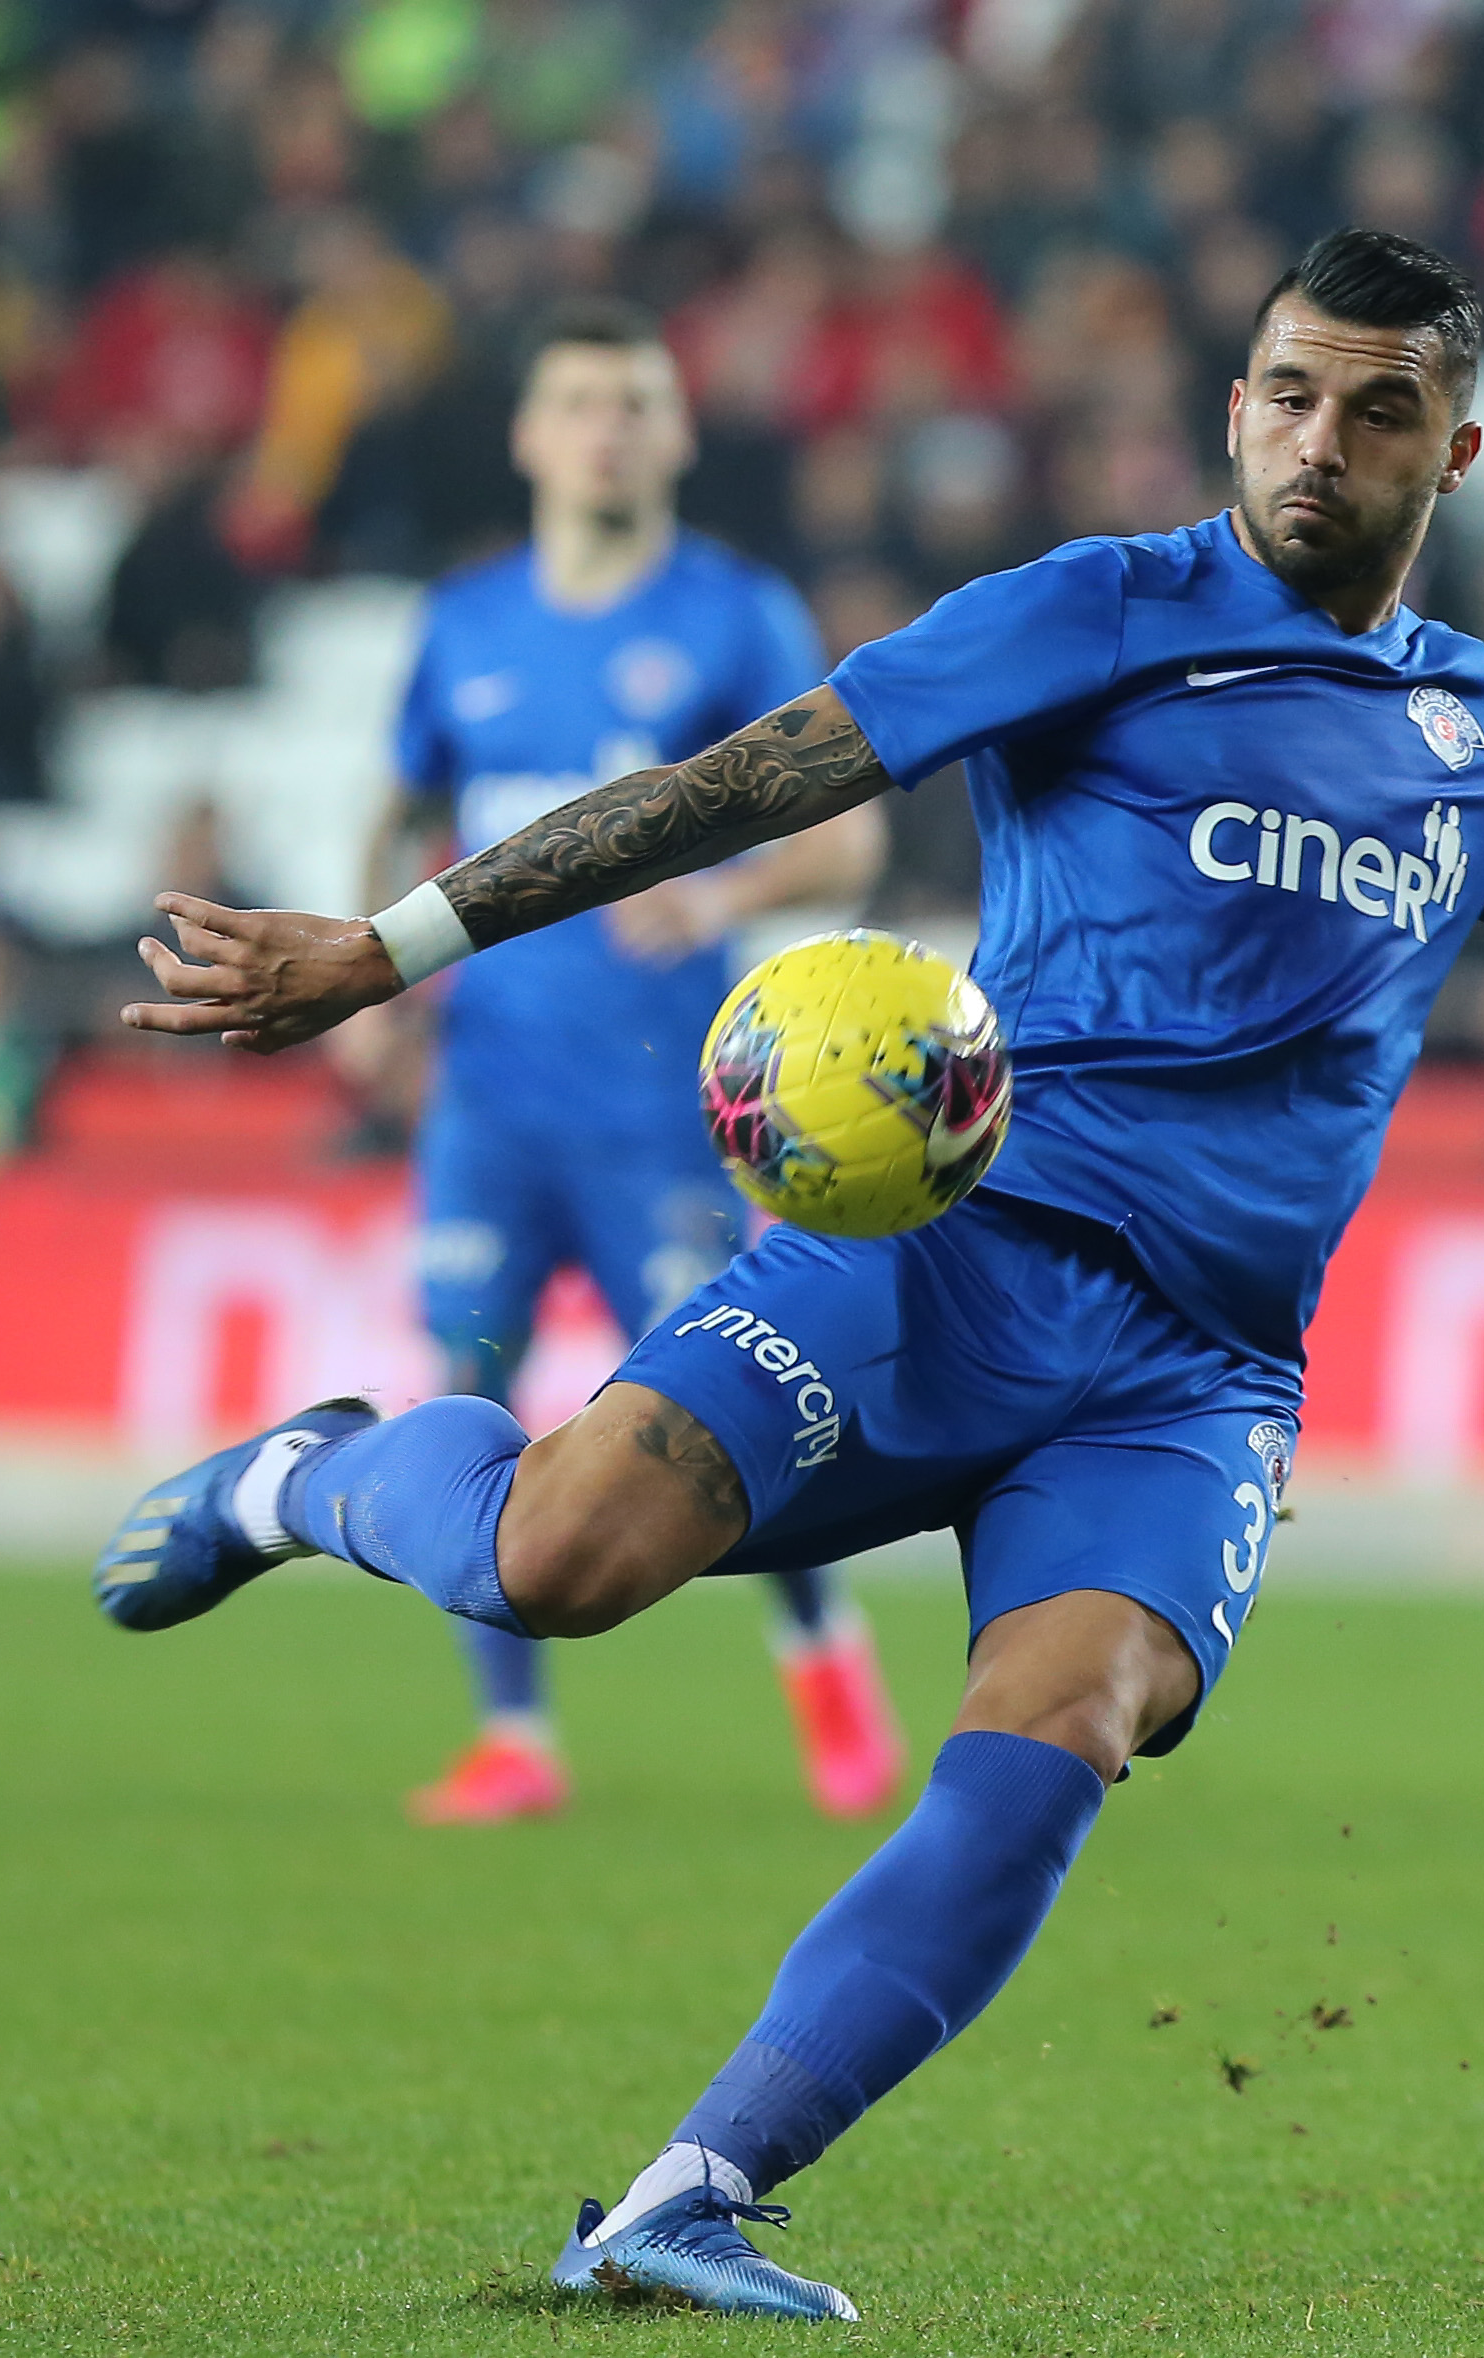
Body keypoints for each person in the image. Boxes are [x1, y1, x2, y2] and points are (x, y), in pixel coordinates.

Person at [97, 230, 1484, 2319]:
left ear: (1451, 452)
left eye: (1377, 411)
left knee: (1059, 1731)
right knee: (556, 1561)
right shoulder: (1096, 609)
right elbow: (756, 778)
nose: (1318, 443)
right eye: (1287, 395)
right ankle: (306, 1476)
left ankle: (691, 2193)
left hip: (1191, 1374)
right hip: (945, 1254)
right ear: (1235, 406)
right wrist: (388, 947)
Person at [349, 295, 904, 1825]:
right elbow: (400, 816)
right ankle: (513, 1736)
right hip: (489, 1094)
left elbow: (849, 835)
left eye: (637, 402)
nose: (609, 428)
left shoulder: (735, 617)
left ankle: (824, 1658)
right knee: (466, 1384)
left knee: (720, 1413)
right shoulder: (462, 624)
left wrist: (718, 895)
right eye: (582, 401)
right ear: (530, 435)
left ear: (679, 432)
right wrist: (377, 980)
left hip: (662, 1100)